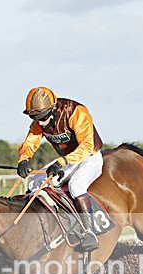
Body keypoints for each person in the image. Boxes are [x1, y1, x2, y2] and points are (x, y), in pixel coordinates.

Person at [17, 86, 102, 252]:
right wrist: (23, 160)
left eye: (42, 117)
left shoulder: (76, 111)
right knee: (36, 182)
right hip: (68, 161)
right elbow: (31, 142)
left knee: (76, 186)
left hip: (90, 157)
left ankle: (89, 232)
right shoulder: (39, 121)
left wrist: (63, 162)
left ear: (53, 109)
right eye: (35, 118)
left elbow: (86, 146)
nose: (39, 123)